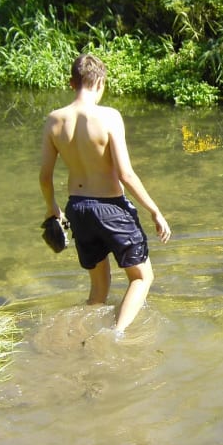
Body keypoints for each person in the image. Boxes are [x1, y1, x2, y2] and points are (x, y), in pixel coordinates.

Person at [39, 53, 171, 335]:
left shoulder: (54, 121)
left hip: (77, 208)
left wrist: (53, 209)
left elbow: (45, 176)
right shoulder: (109, 117)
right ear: (99, 83)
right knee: (142, 278)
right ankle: (116, 334)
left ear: (72, 82)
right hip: (111, 208)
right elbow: (126, 174)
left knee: (99, 288)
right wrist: (154, 210)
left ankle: (80, 333)